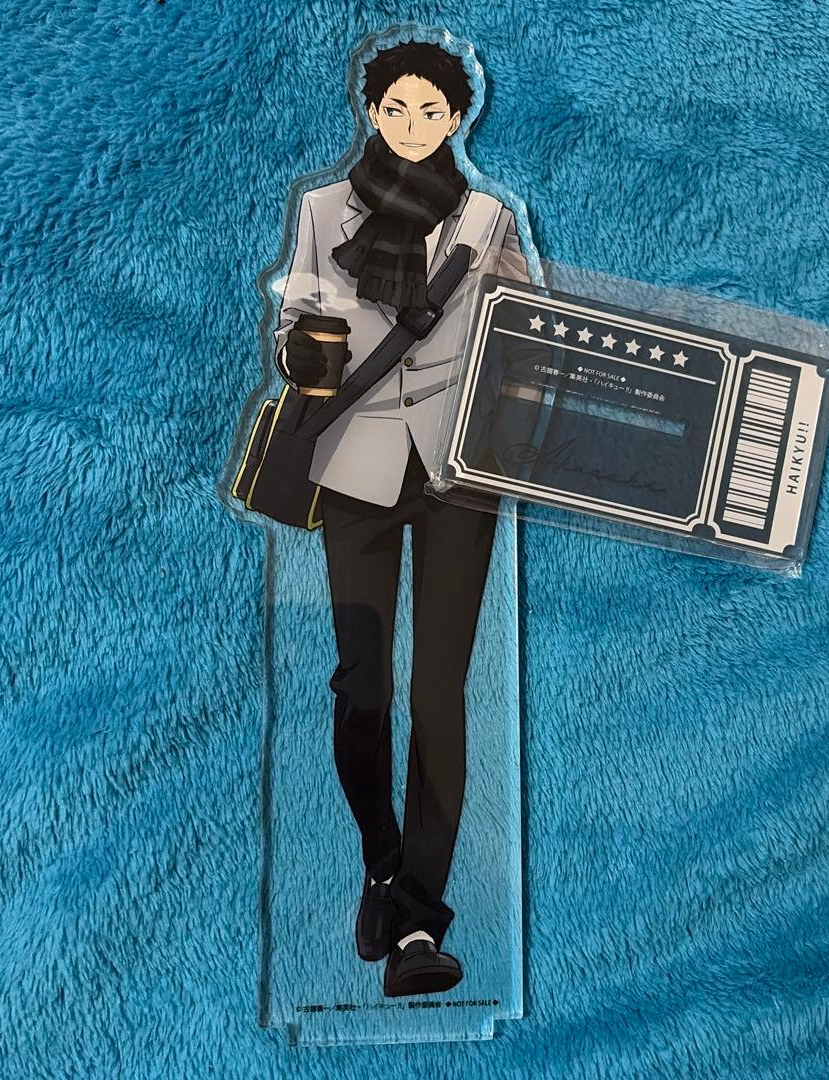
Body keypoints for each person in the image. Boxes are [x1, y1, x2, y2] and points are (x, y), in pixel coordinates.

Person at [272, 39, 529, 997]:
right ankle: (381, 865)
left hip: (461, 466)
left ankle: (420, 920)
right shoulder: (321, 210)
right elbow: (293, 325)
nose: (412, 126)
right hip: (356, 462)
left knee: (439, 693)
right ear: (370, 110)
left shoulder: (488, 218)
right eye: (395, 109)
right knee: (362, 686)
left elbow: (529, 333)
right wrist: (304, 352)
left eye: (430, 111)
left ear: (458, 118)